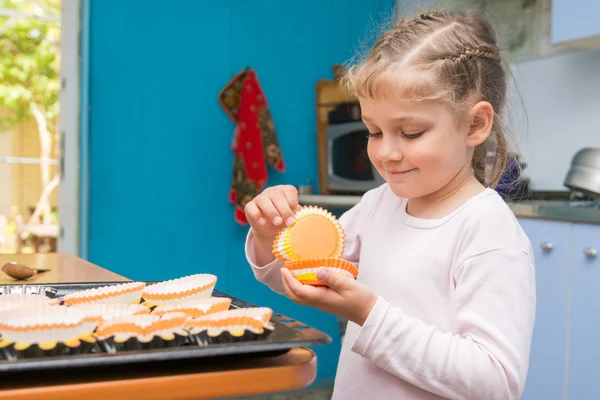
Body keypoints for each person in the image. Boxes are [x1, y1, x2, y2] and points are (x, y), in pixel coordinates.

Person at [243, 9, 535, 400]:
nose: (386, 152)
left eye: (411, 132)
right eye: (374, 131)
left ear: (475, 125)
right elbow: (299, 276)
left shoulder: (487, 231)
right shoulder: (377, 205)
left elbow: (495, 383)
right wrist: (268, 236)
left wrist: (370, 314)